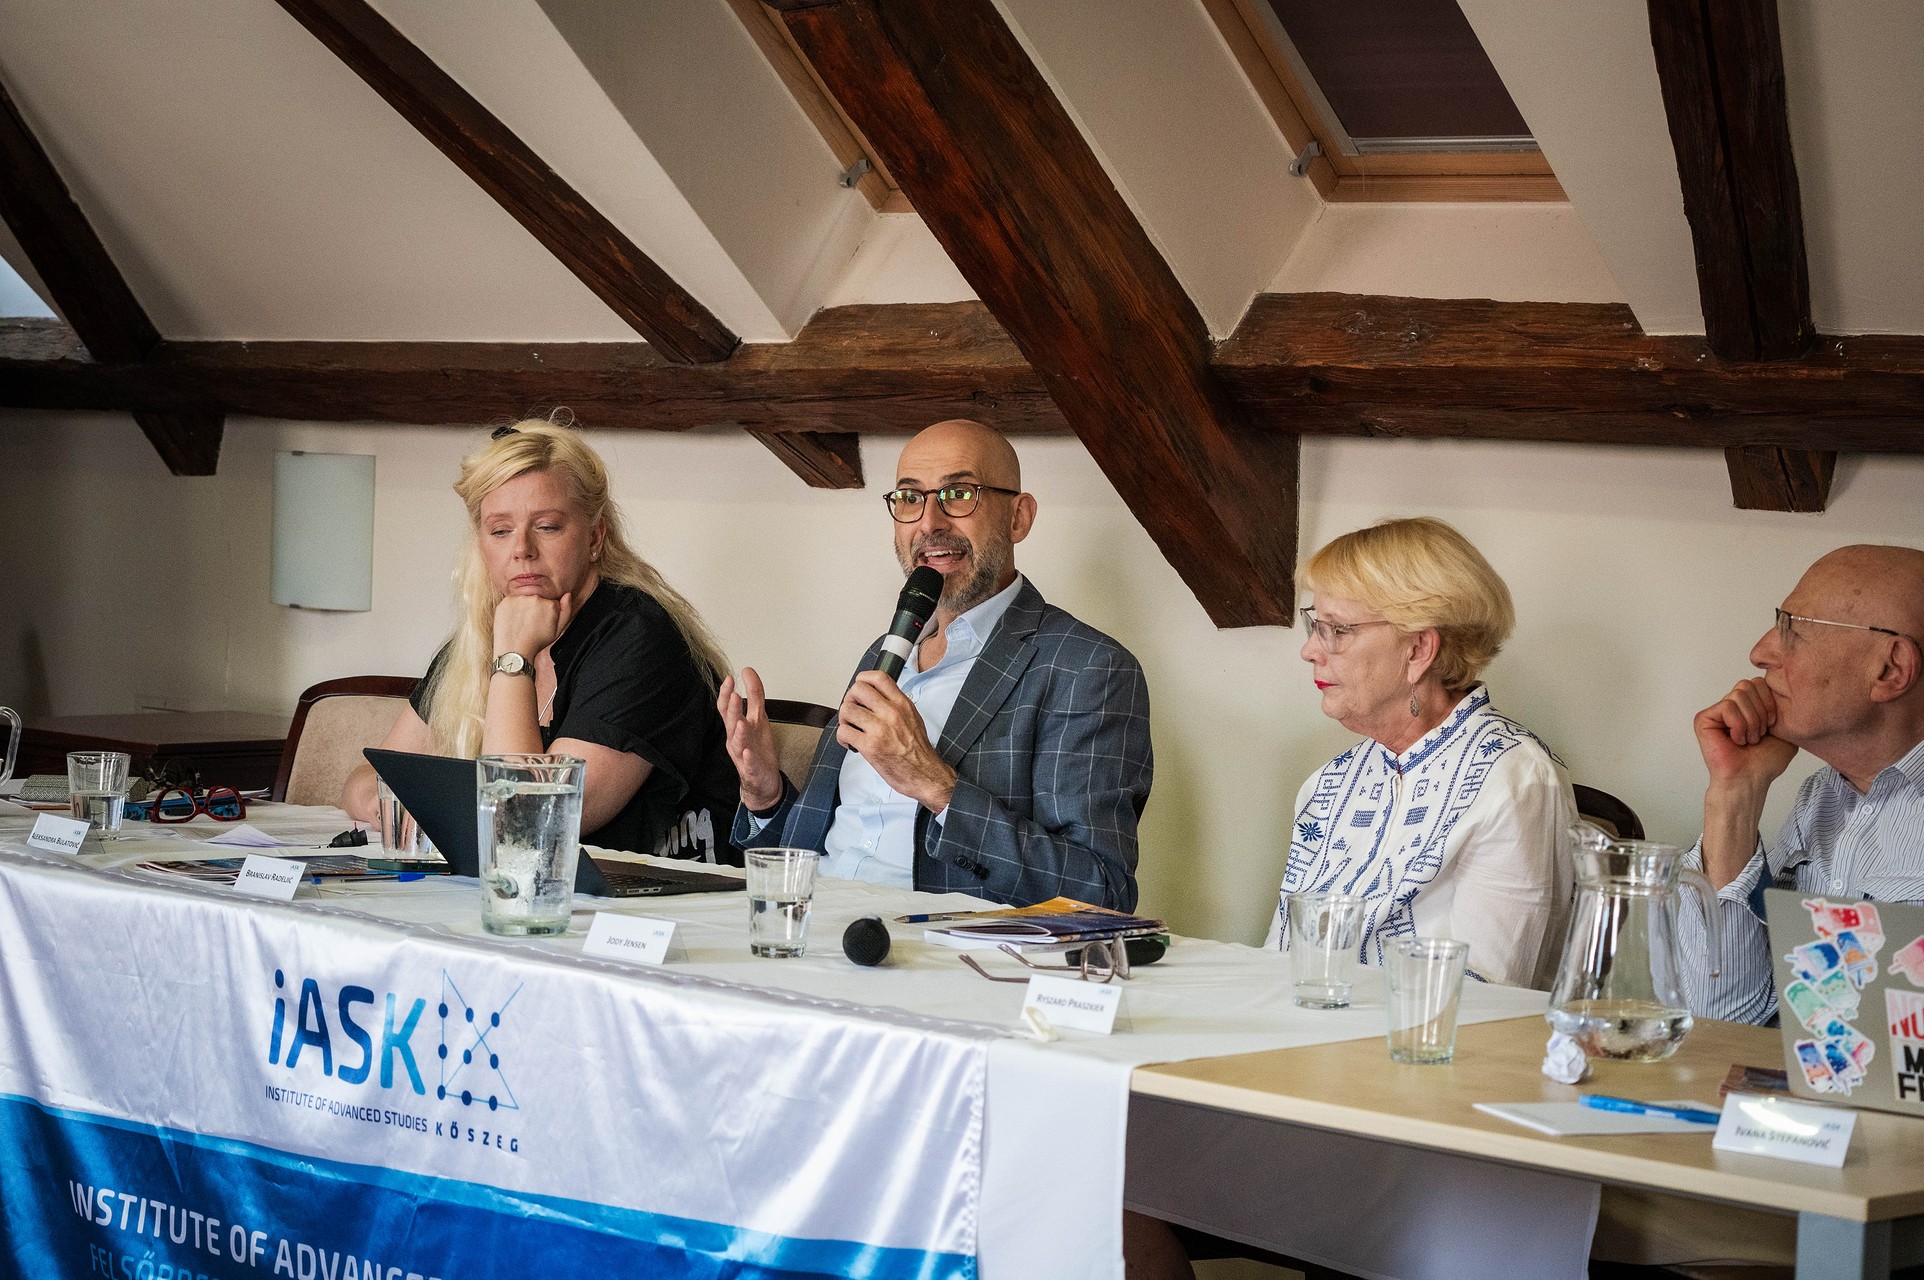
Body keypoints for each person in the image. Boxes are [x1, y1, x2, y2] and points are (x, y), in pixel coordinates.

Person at [717, 419, 1152, 910]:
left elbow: (1102, 891)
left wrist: (934, 784)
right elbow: (814, 847)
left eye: (959, 494)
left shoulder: (1088, 668)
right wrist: (764, 795)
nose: (929, 523)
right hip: (808, 925)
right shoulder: (884, 652)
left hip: (928, 944)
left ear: (1019, 518)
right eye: (909, 498)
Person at [341, 420, 741, 861]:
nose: (522, 549)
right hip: (548, 889)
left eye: (547, 526)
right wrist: (393, 804)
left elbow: (529, 822)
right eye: (500, 530)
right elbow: (364, 779)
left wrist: (513, 658)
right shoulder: (482, 637)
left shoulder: (639, 636)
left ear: (594, 537)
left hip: (673, 894)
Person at [1264, 517, 1577, 989]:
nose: (1310, 650)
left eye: (1337, 630)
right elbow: (1278, 964)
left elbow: (1485, 998)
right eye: (1315, 625)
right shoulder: (1329, 784)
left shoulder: (1515, 781)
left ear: (1418, 650)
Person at [1681, 544, 1924, 1023]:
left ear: (1890, 668)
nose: (1760, 653)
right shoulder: (1823, 797)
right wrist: (1734, 794)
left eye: (1793, 628)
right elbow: (1723, 1020)